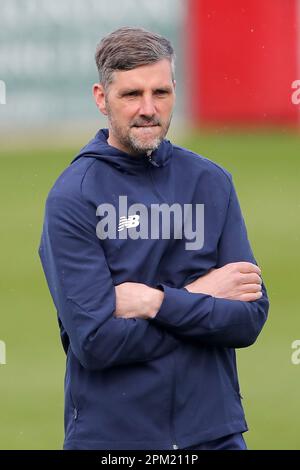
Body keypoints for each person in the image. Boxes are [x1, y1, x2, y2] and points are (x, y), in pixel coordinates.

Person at [38, 27, 269, 450]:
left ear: (175, 90)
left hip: (214, 436)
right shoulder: (73, 197)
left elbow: (248, 319)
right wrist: (203, 297)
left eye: (160, 92)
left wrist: (154, 302)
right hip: (114, 441)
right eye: (131, 95)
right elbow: (97, 343)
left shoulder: (211, 182)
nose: (148, 109)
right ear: (101, 97)